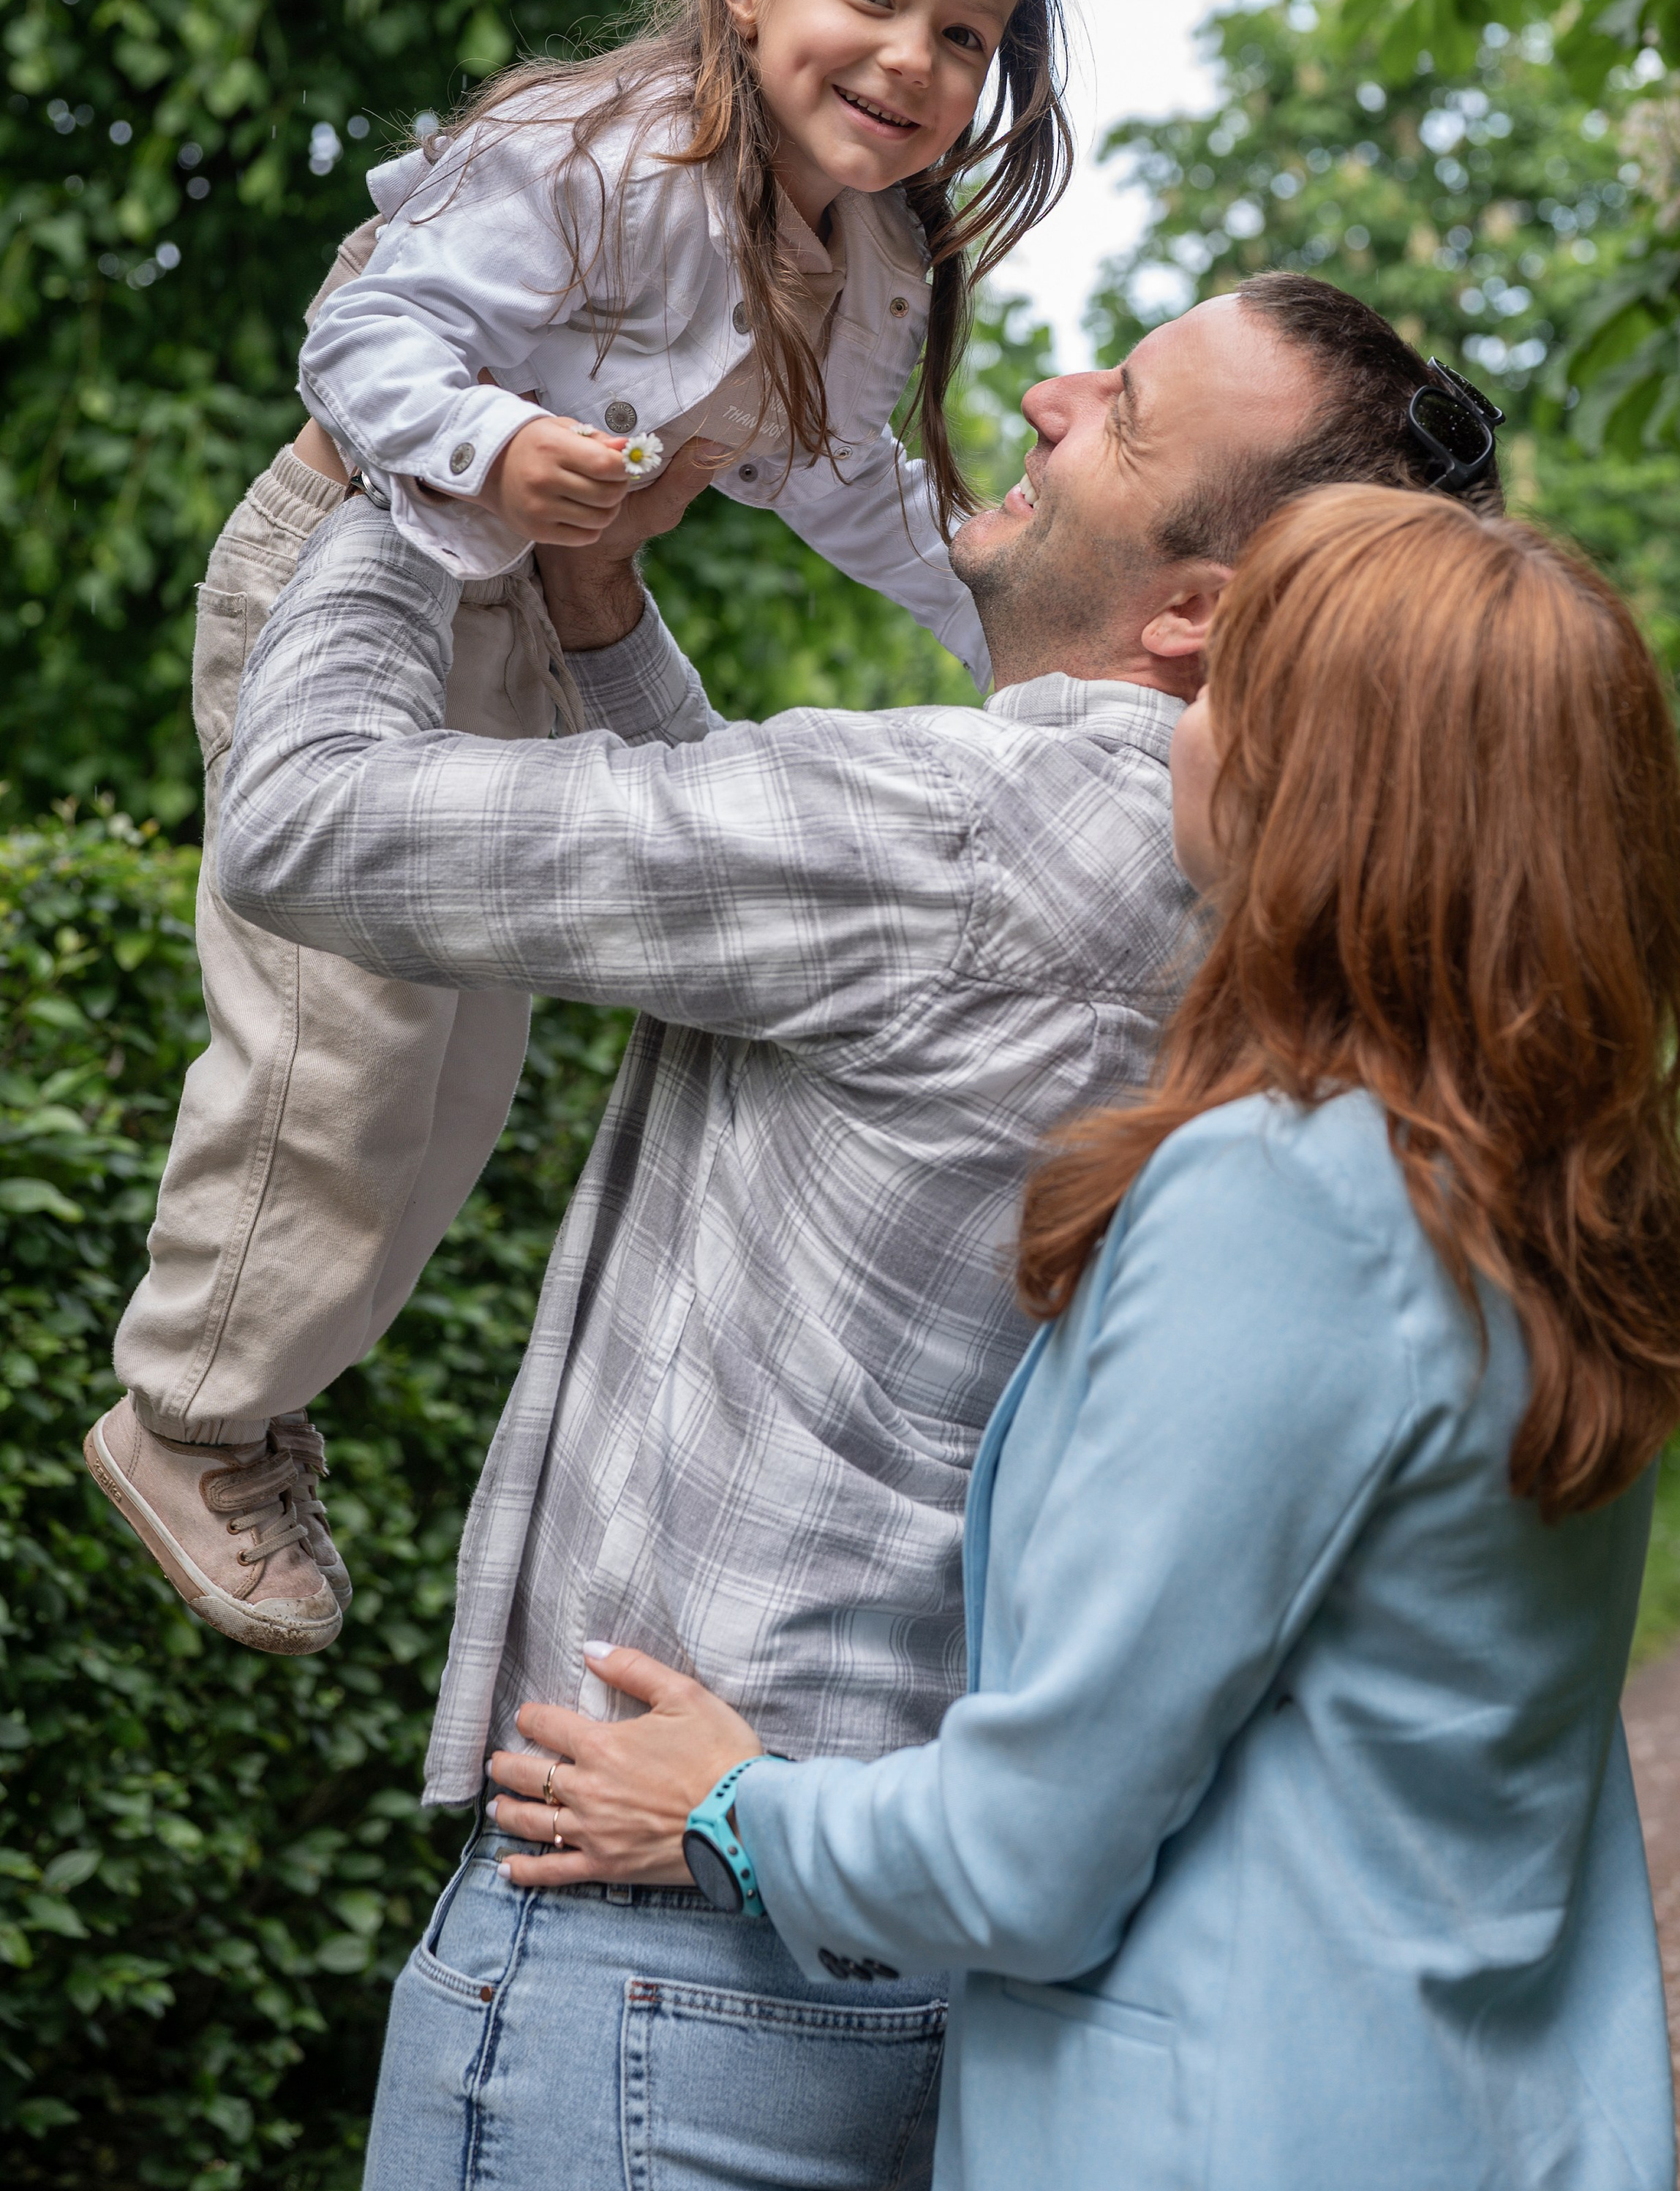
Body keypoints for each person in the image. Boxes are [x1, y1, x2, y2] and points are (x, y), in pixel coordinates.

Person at [209, 274, 1507, 2188]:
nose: (1050, 395)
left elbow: (307, 821)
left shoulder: (964, 829)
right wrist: (598, 611)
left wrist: (417, 473)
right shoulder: (1249, 891)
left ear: (1197, 614)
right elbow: (813, 941)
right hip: (879, 1926)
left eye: (1126, 413)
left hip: (644, 1937)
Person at [490, 480, 1680, 2191]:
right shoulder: (1556, 1199)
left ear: (1328, 788)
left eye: (1227, 696)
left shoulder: (1288, 1199)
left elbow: (1029, 1853)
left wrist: (726, 1803)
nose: (1178, 729)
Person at [86, 0, 1069, 1656]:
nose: (918, 65)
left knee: (454, 1080)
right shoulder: (597, 153)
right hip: (348, 577)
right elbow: (366, 323)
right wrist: (490, 438)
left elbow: (856, 487)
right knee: (343, 1038)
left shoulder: (866, 265)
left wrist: (1022, 642)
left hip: (525, 636)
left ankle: (248, 1407)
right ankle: (186, 1406)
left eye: (969, 38)